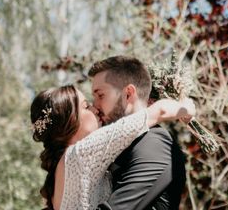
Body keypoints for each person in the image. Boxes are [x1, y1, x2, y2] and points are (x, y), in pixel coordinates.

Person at [30, 84, 194, 210]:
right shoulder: (82, 152)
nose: (95, 109)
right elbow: (159, 112)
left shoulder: (63, 168)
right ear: (70, 121)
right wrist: (186, 106)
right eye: (86, 106)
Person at [89, 56, 187, 210]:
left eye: (100, 95)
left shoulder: (155, 144)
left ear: (128, 93)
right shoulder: (124, 143)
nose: (95, 106)